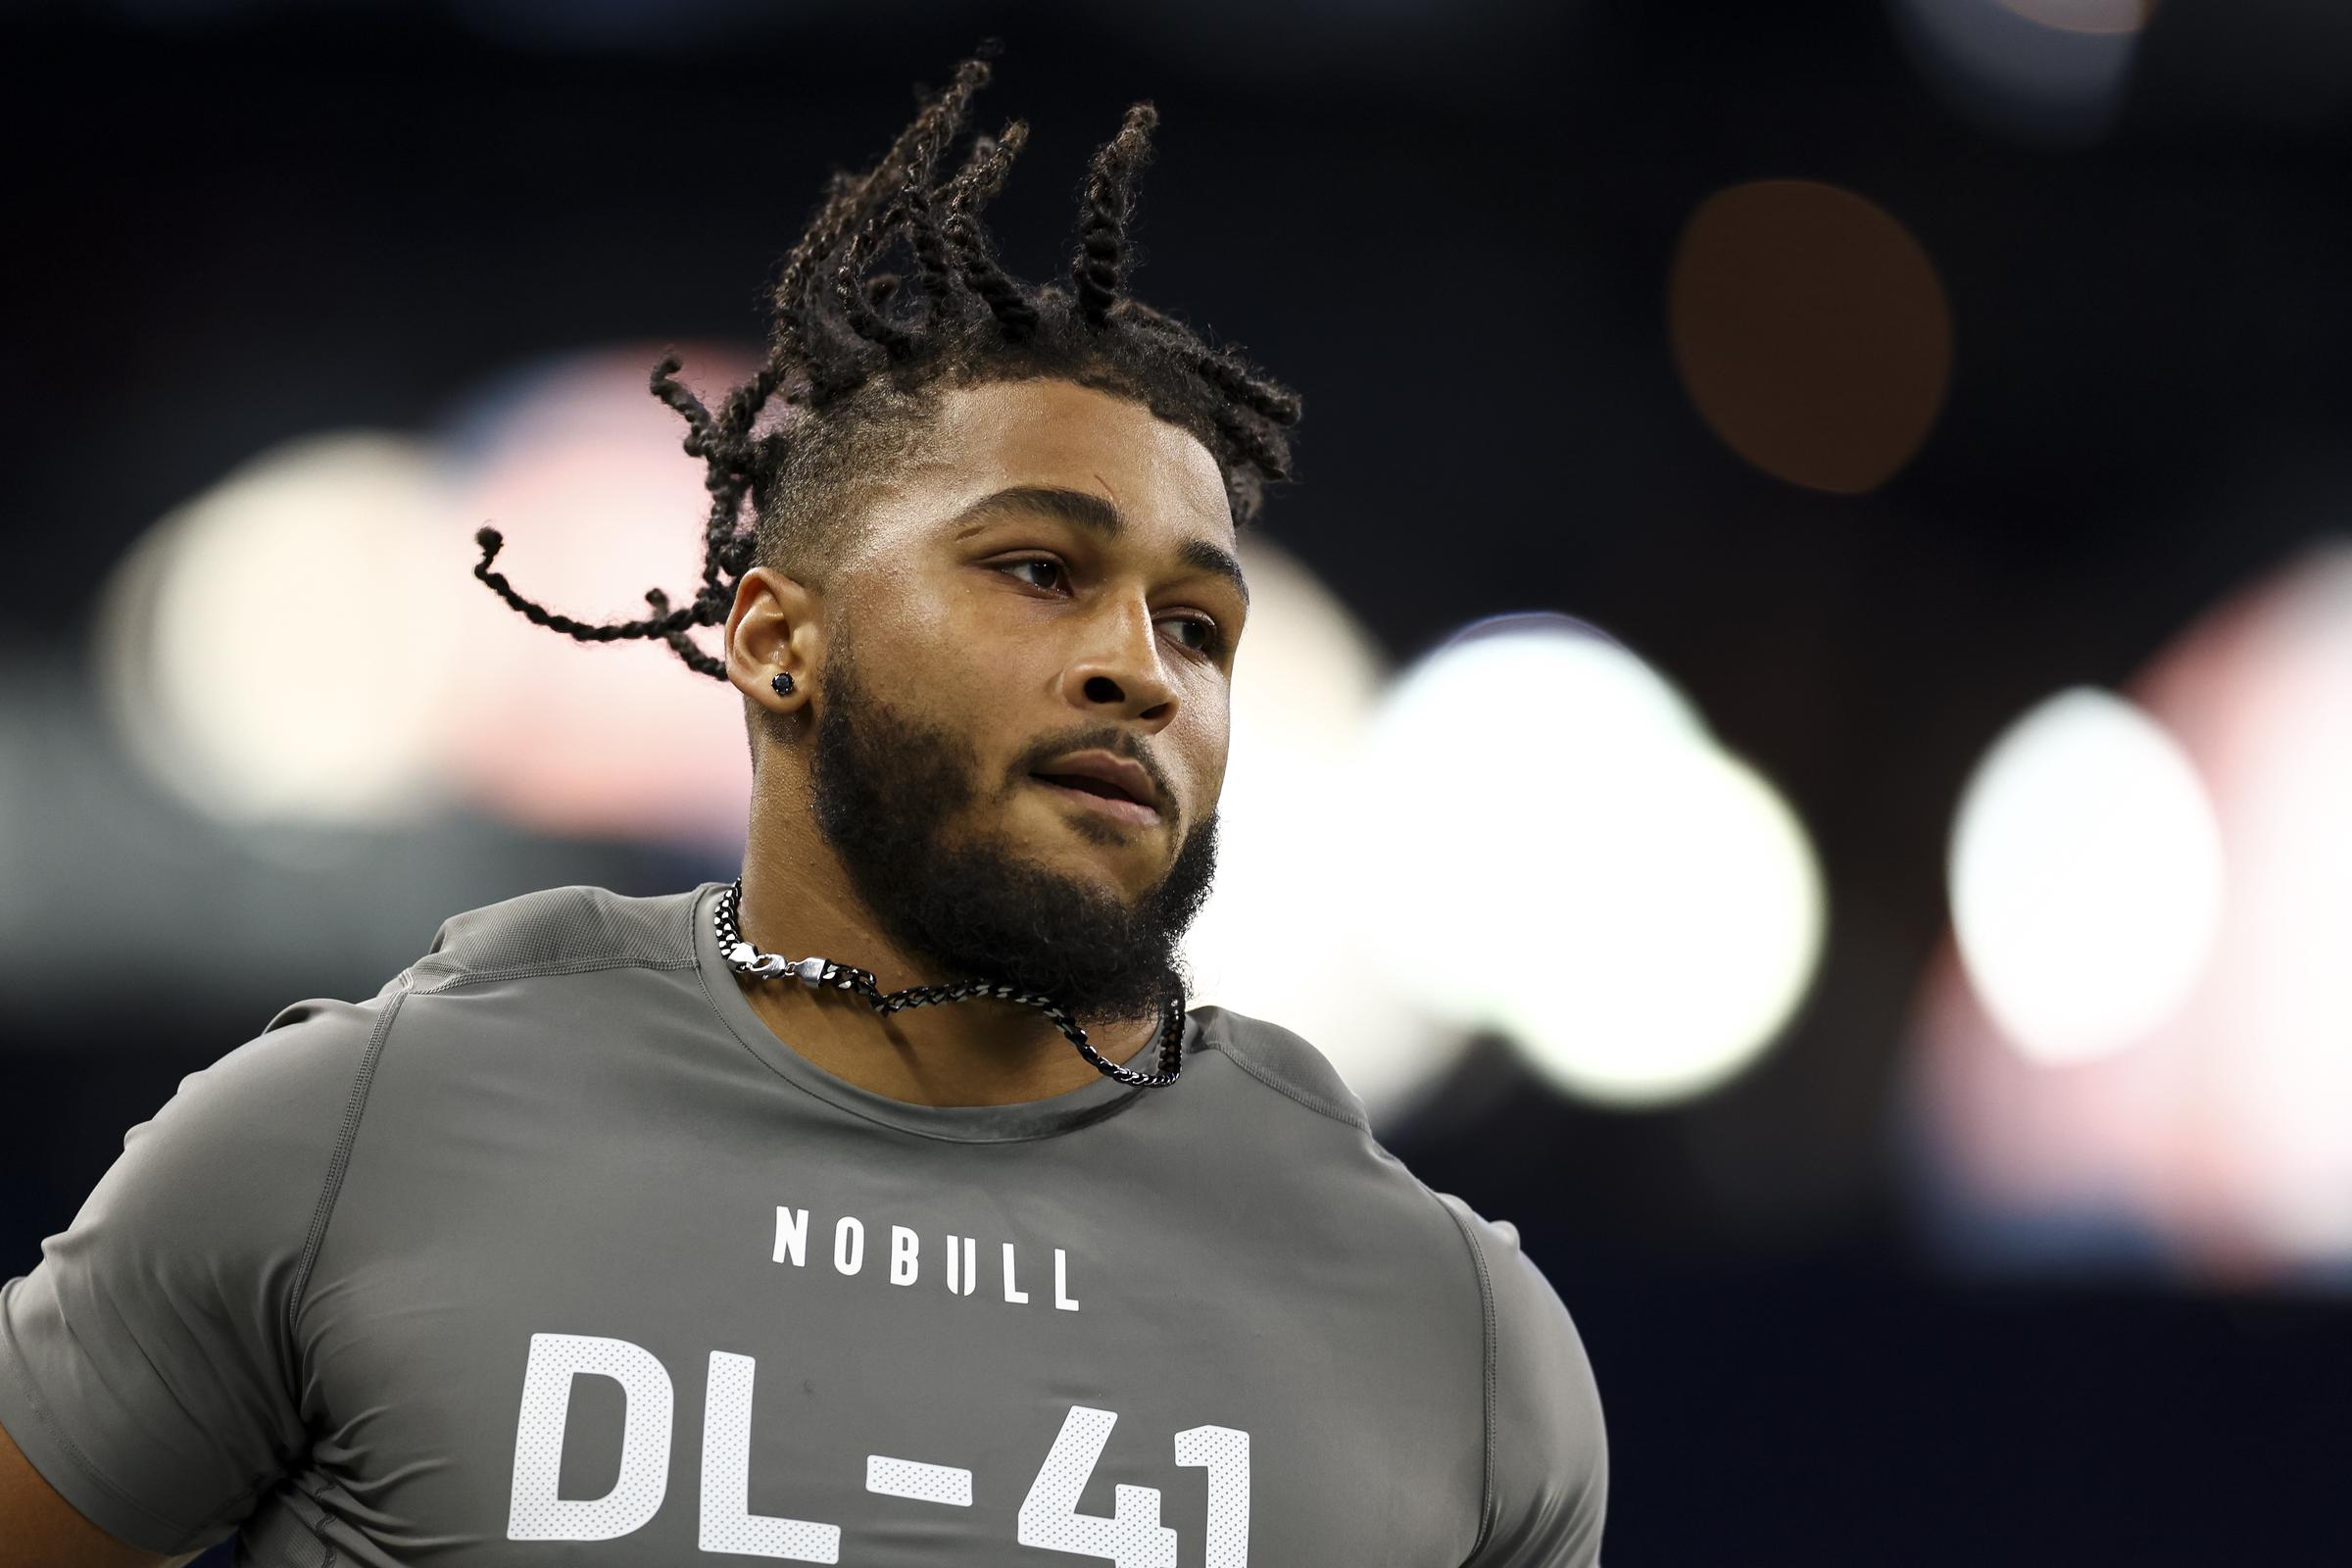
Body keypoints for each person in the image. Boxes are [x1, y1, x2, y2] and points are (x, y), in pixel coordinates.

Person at [0, 50, 1608, 1566]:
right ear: (776, 642)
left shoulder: (1453, 1328)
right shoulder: (344, 1136)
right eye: (1040, 572)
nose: (1142, 668)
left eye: (1197, 626)